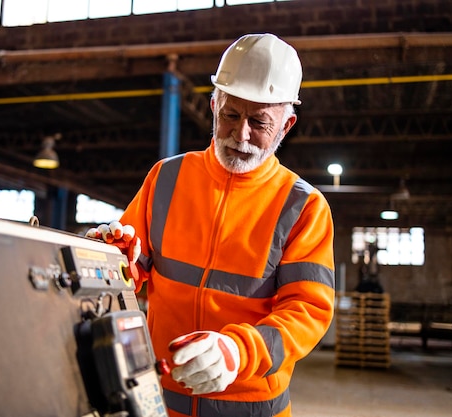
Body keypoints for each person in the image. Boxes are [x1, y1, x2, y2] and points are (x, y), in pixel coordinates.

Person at [88, 33, 335, 417]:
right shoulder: (166, 177)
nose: (241, 135)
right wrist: (109, 256)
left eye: (260, 122)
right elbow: (129, 270)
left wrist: (238, 351)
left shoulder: (303, 207)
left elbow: (308, 310)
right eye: (231, 115)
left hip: (251, 407)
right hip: (159, 399)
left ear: (286, 126)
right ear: (213, 105)